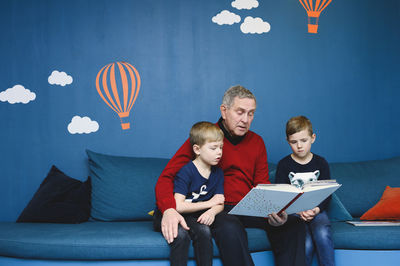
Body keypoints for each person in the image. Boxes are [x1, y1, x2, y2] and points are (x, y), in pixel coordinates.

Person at [154, 85, 306, 266]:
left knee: (293, 224)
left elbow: (262, 184)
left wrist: (274, 211)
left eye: (251, 113)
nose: (245, 119)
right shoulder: (205, 139)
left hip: (251, 206)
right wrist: (169, 209)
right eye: (240, 112)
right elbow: (166, 177)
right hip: (221, 208)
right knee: (230, 227)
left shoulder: (257, 142)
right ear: (224, 111)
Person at [275, 115, 334, 266]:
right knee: (305, 244)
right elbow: (280, 195)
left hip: (316, 211)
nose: (299, 146)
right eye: (294, 142)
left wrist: (316, 209)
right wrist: (297, 211)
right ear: (288, 141)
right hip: (295, 214)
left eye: (304, 140)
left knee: (322, 233)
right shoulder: (284, 165)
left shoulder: (321, 163)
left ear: (312, 138)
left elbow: (327, 194)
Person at [169, 121, 225, 266]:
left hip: (192, 216)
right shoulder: (186, 171)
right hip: (171, 214)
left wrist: (212, 212)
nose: (219, 152)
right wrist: (210, 203)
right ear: (197, 149)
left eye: (221, 147)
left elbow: (220, 202)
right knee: (181, 235)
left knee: (204, 231)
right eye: (213, 148)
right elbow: (178, 206)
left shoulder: (218, 172)